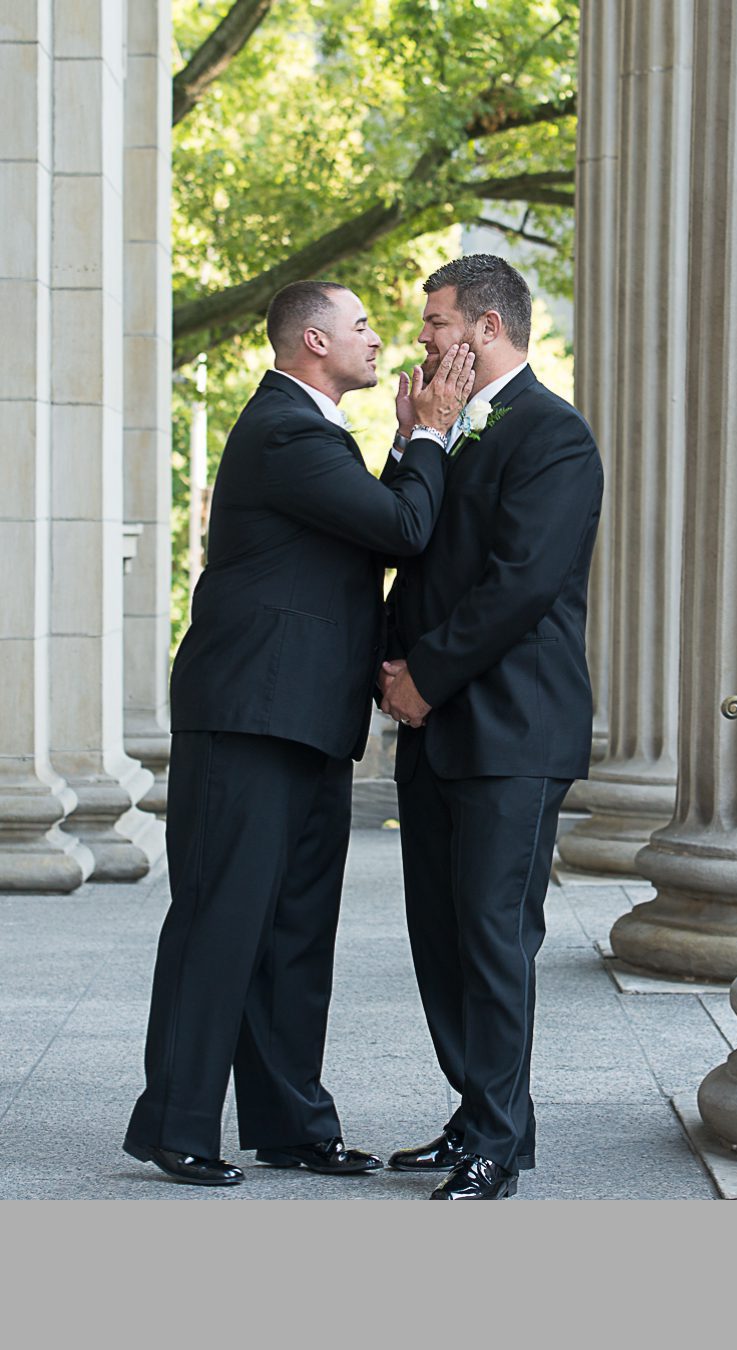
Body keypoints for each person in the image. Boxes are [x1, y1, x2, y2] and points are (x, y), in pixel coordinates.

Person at [124, 281, 469, 1186]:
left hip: (305, 715)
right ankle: (177, 1125)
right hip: (247, 713)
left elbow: (375, 529)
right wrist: (429, 430)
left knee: (294, 930)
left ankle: (289, 1125)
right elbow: (402, 529)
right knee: (221, 919)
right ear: (314, 340)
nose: (377, 337)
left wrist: (406, 443)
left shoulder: (316, 436)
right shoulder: (284, 427)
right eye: (361, 325)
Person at [379, 255, 603, 1200]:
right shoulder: (450, 430)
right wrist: (407, 445)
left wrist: (422, 677)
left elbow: (520, 583)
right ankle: (480, 1119)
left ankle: (496, 1148)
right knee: (440, 939)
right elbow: (408, 538)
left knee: (492, 940)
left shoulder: (555, 435)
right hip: (438, 732)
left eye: (437, 324)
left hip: (511, 729)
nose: (425, 339)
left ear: (487, 329)